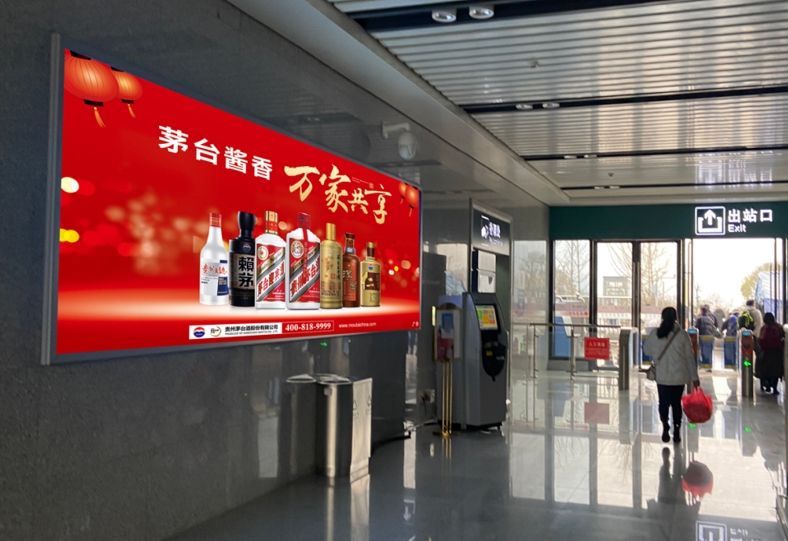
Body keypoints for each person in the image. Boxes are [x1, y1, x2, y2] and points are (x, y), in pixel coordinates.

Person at [644, 307, 700, 444]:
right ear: (676, 318)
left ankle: (665, 425)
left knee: (663, 402)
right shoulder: (683, 335)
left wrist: (656, 353)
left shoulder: (656, 333)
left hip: (662, 377)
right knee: (676, 404)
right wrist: (694, 377)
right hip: (678, 378)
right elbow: (689, 358)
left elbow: (646, 350)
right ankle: (677, 430)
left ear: (662, 317)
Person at [757, 312, 784, 395]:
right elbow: (782, 338)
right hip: (776, 353)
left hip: (766, 353)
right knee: (776, 371)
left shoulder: (764, 328)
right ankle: (775, 388)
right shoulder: (778, 327)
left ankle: (766, 386)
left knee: (764, 370)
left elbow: (760, 340)